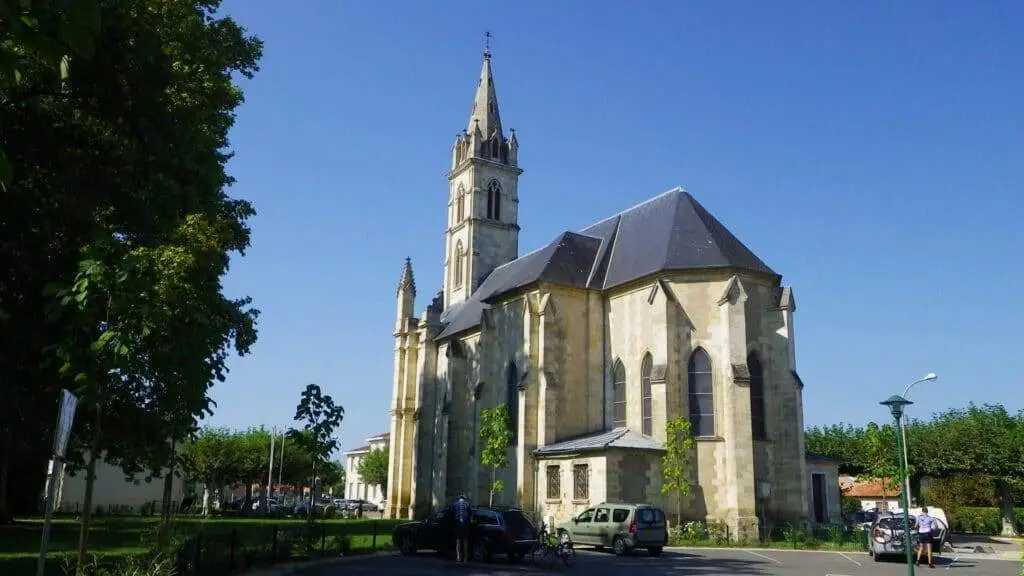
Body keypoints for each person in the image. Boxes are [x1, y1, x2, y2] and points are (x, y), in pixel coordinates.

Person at [453, 494, 472, 563]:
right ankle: (465, 558)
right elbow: (470, 514)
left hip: (458, 524)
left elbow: (453, 513)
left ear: (458, 499)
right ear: (464, 498)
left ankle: (458, 556)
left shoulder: (455, 504)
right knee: (465, 541)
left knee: (458, 541)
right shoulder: (467, 504)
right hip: (465, 524)